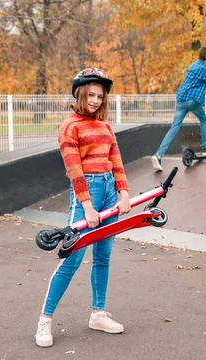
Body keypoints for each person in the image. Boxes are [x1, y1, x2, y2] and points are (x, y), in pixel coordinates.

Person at [35, 67, 132, 348]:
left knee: (103, 256)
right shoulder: (70, 126)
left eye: (100, 96)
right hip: (86, 191)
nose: (95, 100)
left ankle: (98, 314)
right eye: (91, 95)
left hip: (110, 191)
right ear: (80, 94)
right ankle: (45, 320)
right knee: (73, 258)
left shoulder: (105, 126)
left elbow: (116, 160)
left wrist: (124, 193)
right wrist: (87, 206)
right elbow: (74, 169)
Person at [151, 47, 206, 171]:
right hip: (193, 101)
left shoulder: (193, 65)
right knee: (203, 119)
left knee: (174, 128)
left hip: (181, 99)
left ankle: (158, 155)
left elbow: (198, 80)